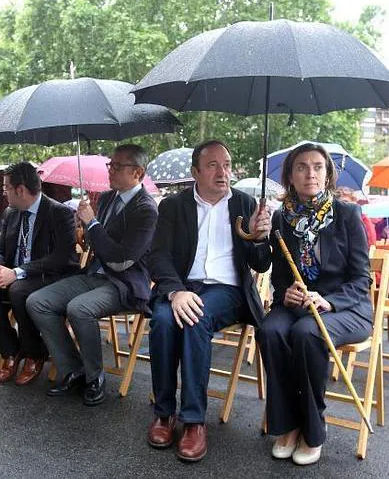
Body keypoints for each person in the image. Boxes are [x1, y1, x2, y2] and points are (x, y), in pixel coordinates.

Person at [147, 139, 271, 462]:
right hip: (183, 285)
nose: (223, 172)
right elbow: (158, 256)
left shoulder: (245, 204)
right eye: (213, 165)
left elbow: (261, 264)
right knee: (161, 319)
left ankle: (193, 421)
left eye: (227, 165)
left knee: (196, 319)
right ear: (195, 172)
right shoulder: (173, 207)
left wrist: (261, 238)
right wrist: (175, 291)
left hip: (227, 290)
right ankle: (163, 413)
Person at [256, 143, 372, 466]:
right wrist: (285, 294)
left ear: (328, 174)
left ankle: (312, 428)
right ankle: (286, 424)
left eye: (318, 166)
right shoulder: (281, 218)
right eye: (302, 167)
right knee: (270, 330)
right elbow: (279, 276)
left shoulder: (347, 215)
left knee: (308, 333)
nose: (311, 173)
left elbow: (361, 280)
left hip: (345, 308)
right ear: (290, 177)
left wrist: (328, 301)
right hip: (297, 306)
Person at [27, 144, 157, 406]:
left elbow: (121, 261)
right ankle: (73, 368)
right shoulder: (107, 197)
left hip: (126, 284)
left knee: (79, 308)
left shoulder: (147, 210)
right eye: (111, 164)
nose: (111, 170)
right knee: (37, 301)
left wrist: (93, 224)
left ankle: (94, 377)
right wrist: (84, 228)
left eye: (118, 166)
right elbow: (98, 245)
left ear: (138, 173)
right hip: (96, 274)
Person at [0, 162, 78, 385]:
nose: (3, 192)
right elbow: (2, 250)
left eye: (6, 187)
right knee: (14, 287)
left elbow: (63, 258)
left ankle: (35, 354)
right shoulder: (11, 212)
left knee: (18, 290)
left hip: (51, 276)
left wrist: (18, 271)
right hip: (16, 275)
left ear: (20, 190)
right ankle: (10, 351)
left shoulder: (59, 212)